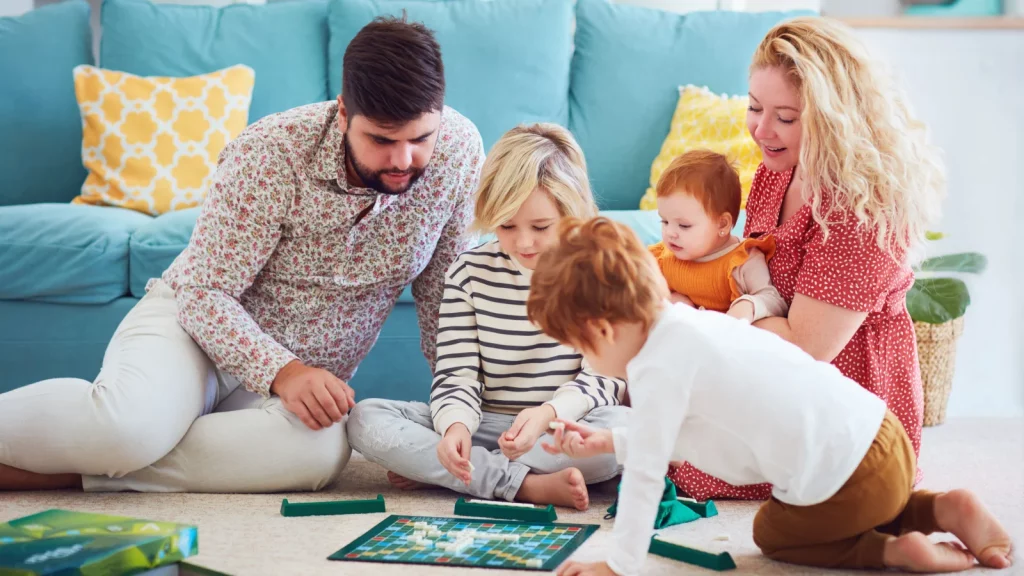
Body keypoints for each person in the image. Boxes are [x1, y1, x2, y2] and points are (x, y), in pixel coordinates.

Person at [0, 17, 484, 493]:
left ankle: (84, 470)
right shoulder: (269, 153)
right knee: (127, 428)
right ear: (342, 115)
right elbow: (205, 293)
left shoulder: (460, 154)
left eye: (420, 139)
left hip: (301, 377)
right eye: (381, 140)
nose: (403, 161)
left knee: (321, 454)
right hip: (196, 331)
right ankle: (128, 444)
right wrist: (283, 371)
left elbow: (445, 300)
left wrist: (461, 413)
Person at [526, 216, 1013, 576]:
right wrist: (609, 442)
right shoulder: (693, 326)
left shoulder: (655, 370)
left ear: (605, 332)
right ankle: (940, 509)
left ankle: (892, 553)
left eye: (580, 349)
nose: (585, 362)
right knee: (847, 501)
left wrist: (617, 565)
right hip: (880, 435)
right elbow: (684, 433)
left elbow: (647, 477)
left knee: (774, 533)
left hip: (851, 477)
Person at [670, 15, 945, 501]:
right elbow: (751, 277)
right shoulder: (778, 170)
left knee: (684, 466)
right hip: (772, 364)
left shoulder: (866, 210)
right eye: (755, 107)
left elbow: (804, 348)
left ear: (835, 118)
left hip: (842, 399)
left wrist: (693, 317)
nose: (761, 130)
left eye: (787, 117)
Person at [348, 124, 628, 511]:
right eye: (507, 226)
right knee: (365, 418)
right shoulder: (469, 272)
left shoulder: (602, 271)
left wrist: (548, 414)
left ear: (571, 210)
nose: (524, 242)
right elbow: (456, 374)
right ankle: (523, 485)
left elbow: (604, 379)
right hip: (485, 425)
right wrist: (456, 428)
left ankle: (450, 473)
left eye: (541, 227)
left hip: (560, 427)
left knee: (627, 432)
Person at [650, 149, 787, 323]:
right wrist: (667, 300)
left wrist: (748, 305)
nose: (669, 233)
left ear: (722, 224)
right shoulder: (662, 257)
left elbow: (774, 300)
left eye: (684, 225)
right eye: (664, 221)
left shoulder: (743, 261)